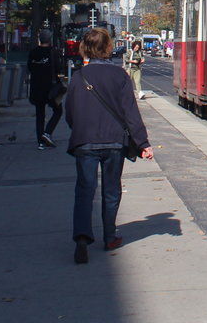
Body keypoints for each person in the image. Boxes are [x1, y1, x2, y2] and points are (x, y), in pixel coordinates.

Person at [64, 28, 153, 264]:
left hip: (85, 141)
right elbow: (130, 113)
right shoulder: (119, 76)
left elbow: (70, 114)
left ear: (85, 49)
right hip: (114, 141)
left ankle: (82, 237)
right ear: (108, 48)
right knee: (111, 189)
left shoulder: (77, 77)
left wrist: (80, 129)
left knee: (85, 189)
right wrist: (143, 143)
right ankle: (110, 235)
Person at [28, 29, 64, 149]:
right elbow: (59, 68)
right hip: (50, 88)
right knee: (58, 111)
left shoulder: (33, 53)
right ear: (50, 39)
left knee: (40, 114)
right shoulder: (52, 52)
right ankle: (47, 132)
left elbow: (30, 68)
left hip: (36, 87)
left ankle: (40, 141)